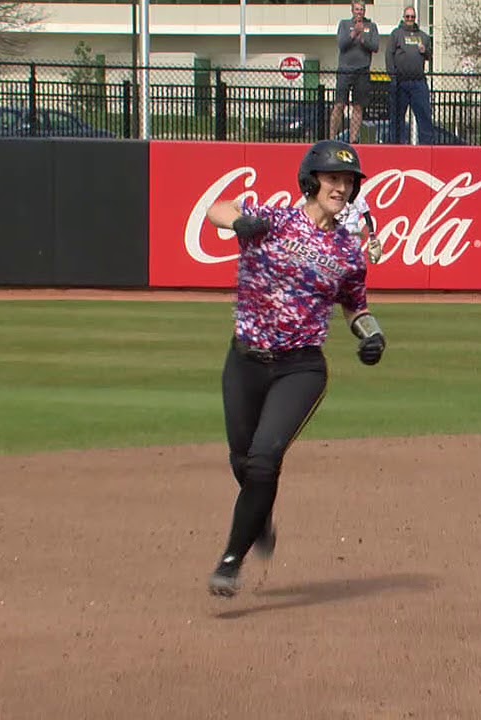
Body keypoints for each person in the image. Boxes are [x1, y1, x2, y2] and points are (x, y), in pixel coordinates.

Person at [202, 140, 388, 596]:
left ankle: (231, 560)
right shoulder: (274, 220)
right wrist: (241, 221)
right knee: (243, 461)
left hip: (300, 367)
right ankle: (258, 515)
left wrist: (373, 335)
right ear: (312, 180)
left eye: (348, 181)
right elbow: (216, 209)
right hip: (245, 359)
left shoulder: (347, 250)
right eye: (333, 179)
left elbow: (355, 309)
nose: (341, 188)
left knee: (265, 460)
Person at [330, 2, 380, 143]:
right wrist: (353, 34)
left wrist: (363, 39)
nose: (359, 12)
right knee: (339, 104)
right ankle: (332, 138)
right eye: (357, 9)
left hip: (362, 71)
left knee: (358, 106)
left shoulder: (371, 27)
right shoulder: (344, 25)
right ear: (352, 10)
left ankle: (353, 140)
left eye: (362, 9)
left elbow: (375, 47)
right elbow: (341, 44)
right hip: (345, 70)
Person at [385, 4, 435, 145]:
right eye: (407, 17)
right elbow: (389, 55)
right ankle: (396, 144)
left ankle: (427, 145)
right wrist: (392, 76)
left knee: (424, 115)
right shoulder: (396, 34)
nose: (410, 19)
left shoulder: (423, 37)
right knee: (397, 116)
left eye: (412, 17)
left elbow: (430, 56)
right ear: (404, 17)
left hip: (418, 82)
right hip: (400, 81)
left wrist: (425, 51)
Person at [337, 193, 382, 264]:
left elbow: (367, 216)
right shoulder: (335, 195)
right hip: (337, 231)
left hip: (351, 232)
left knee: (349, 262)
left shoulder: (356, 196)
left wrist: (372, 235)